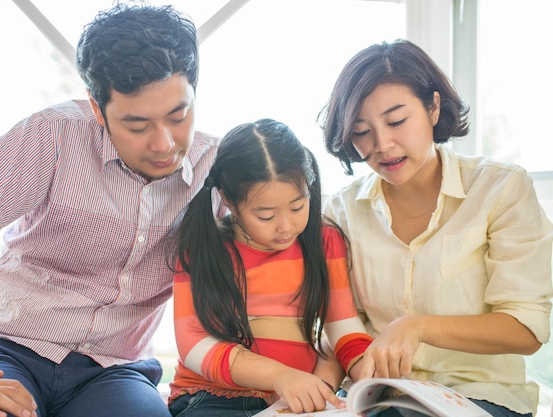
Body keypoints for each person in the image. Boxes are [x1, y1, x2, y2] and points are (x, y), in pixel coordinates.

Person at [0, 3, 220, 417]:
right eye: (137, 126)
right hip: (6, 344)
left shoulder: (218, 168)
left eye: (178, 115)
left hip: (112, 370)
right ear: (98, 109)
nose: (164, 144)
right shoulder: (55, 133)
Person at [319, 39, 553, 417]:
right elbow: (341, 324)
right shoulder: (342, 210)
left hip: (483, 397)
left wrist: (416, 327)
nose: (382, 144)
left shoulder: (500, 188)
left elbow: (526, 329)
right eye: (362, 132)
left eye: (396, 121)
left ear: (433, 107)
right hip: (379, 399)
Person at [166, 118, 373, 417]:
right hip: (213, 396)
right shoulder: (202, 248)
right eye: (266, 216)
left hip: (298, 398)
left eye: (297, 207)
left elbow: (342, 326)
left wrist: (369, 374)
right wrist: (279, 376)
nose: (286, 227)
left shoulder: (324, 241)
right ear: (229, 201)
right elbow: (194, 345)